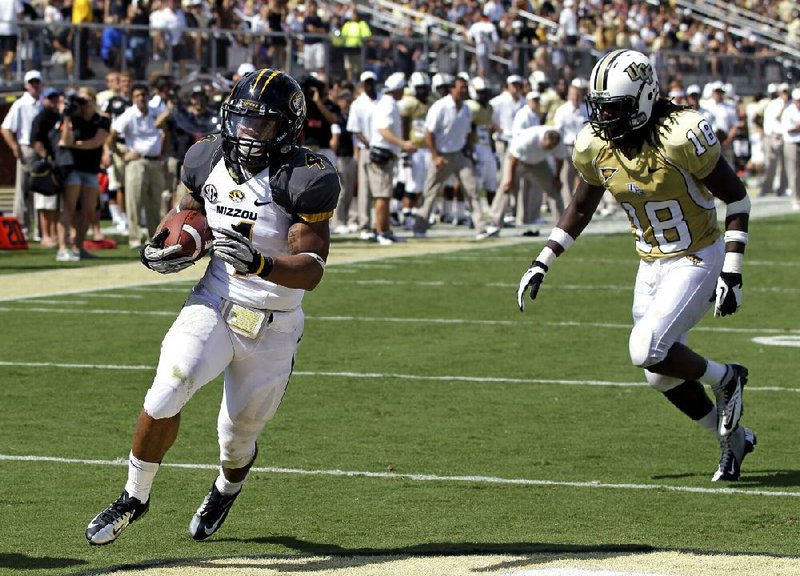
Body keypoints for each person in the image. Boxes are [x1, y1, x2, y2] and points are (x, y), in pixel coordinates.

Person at [85, 68, 341, 545]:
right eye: (242, 120)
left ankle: (227, 487)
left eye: (260, 124)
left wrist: (262, 263)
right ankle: (133, 497)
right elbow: (188, 212)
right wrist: (166, 244)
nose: (247, 132)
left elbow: (312, 268)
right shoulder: (205, 155)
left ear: (285, 129)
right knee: (169, 387)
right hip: (216, 298)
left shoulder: (305, 176)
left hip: (274, 320)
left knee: (236, 436)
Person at [516, 50, 755, 482]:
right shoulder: (594, 145)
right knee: (657, 375)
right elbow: (580, 205)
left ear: (644, 99)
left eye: (615, 107)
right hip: (649, 264)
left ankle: (727, 377)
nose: (604, 117)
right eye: (600, 106)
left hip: (697, 255)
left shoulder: (682, 135)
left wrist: (732, 271)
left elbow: (737, 198)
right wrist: (543, 259)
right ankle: (733, 440)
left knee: (646, 350)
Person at [413, 76, 487, 240]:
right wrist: (435, 156)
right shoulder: (440, 107)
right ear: (452, 89)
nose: (464, 91)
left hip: (460, 154)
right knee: (430, 191)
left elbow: (467, 133)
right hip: (442, 154)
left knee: (472, 189)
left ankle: (481, 227)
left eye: (465, 88)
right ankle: (420, 226)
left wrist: (470, 153)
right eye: (461, 87)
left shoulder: (466, 109)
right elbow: (429, 133)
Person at [106, 83, 169, 249]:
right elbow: (111, 137)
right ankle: (134, 239)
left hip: (155, 161)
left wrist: (163, 152)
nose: (141, 98)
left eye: (143, 95)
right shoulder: (128, 115)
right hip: (137, 161)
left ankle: (154, 238)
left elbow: (165, 131)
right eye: (137, 96)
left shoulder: (155, 113)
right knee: (135, 201)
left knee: (155, 203)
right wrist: (122, 155)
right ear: (133, 98)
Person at [481, 126, 565, 239]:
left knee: (554, 188)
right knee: (505, 187)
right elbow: (514, 159)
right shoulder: (528, 139)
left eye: (552, 148)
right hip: (516, 160)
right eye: (548, 147)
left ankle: (563, 226)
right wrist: (510, 179)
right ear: (543, 139)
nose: (549, 149)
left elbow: (560, 159)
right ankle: (494, 224)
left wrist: (557, 177)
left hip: (538, 162)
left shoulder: (557, 141)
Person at [57, 87, 110, 260]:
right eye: (81, 101)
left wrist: (74, 144)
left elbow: (96, 142)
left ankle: (79, 247)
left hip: (90, 168)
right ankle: (63, 248)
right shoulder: (74, 118)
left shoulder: (101, 120)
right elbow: (65, 140)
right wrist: (67, 117)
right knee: (70, 207)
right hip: (72, 167)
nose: (84, 105)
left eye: (87, 101)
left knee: (88, 211)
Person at [367, 72, 416, 245]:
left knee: (385, 194)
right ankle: (380, 231)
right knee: (382, 195)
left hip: (386, 154)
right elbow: (383, 130)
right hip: (381, 153)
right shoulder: (387, 105)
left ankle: (385, 229)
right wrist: (403, 144)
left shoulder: (388, 103)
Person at [1, 70, 42, 240]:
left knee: (41, 191)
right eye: (31, 83)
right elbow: (5, 127)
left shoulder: (43, 102)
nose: (34, 86)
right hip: (27, 149)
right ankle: (22, 229)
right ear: (26, 85)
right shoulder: (20, 104)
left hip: (43, 151)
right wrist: (13, 146)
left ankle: (40, 230)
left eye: (36, 82)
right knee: (23, 191)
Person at [30, 87, 64, 249]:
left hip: (57, 164)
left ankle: (55, 234)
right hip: (46, 165)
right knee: (45, 202)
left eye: (55, 98)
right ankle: (46, 235)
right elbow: (35, 140)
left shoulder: (59, 116)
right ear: (44, 100)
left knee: (56, 203)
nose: (53, 101)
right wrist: (46, 158)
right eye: (50, 98)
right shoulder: (42, 117)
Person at [781, 88, 800, 211]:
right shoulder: (788, 112)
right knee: (793, 172)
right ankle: (795, 199)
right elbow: (788, 129)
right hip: (792, 143)